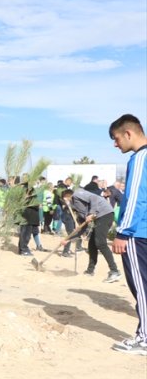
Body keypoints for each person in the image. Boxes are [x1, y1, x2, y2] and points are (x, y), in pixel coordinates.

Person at [110, 114, 147, 355]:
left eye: (116, 139)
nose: (116, 144)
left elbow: (135, 198)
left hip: (138, 233)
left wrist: (123, 233)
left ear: (128, 133)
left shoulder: (140, 158)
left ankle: (144, 338)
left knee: (141, 286)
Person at [63, 187, 121, 282]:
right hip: (99, 218)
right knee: (92, 244)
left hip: (105, 214)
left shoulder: (77, 193)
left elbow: (94, 198)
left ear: (66, 197)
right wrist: (68, 239)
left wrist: (91, 213)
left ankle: (115, 271)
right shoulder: (78, 209)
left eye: (65, 200)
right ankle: (90, 271)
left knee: (100, 243)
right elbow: (82, 229)